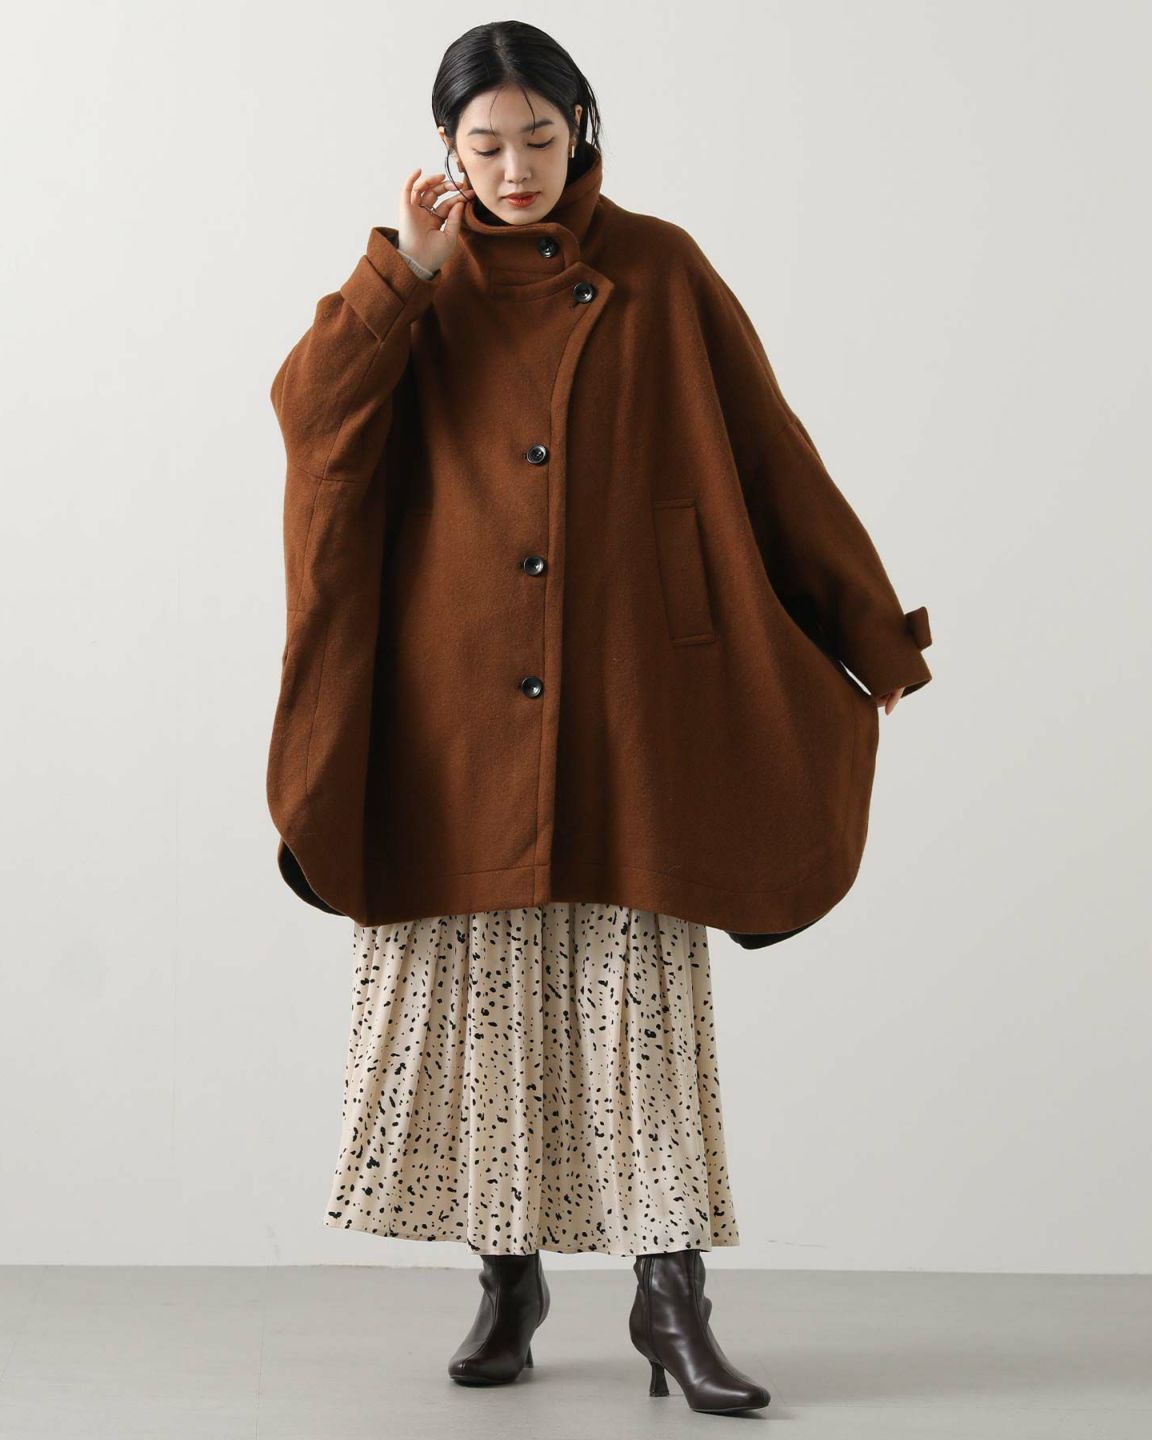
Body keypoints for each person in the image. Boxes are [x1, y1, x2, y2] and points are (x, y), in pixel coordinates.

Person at [268, 19, 930, 1417]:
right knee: (481, 1007)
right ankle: (507, 1284)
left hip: (634, 698)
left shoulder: (661, 268)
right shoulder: (418, 287)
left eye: (540, 139)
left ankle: (670, 1304)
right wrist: (401, 273)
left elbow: (768, 449)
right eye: (486, 145)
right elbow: (311, 423)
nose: (516, 170)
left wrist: (863, 625)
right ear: (444, 152)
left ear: (583, 132)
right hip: (456, 705)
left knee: (640, 1013)